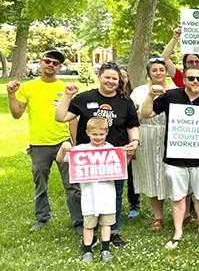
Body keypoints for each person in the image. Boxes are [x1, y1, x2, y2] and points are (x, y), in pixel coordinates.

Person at [55, 62, 140, 247]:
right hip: (89, 159)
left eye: (114, 78)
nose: (110, 81)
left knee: (115, 193)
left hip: (114, 157)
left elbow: (132, 125)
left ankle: (113, 231)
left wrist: (135, 142)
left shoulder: (125, 101)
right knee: (88, 193)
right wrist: (67, 96)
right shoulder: (85, 98)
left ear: (120, 81)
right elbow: (60, 117)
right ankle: (90, 230)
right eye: (107, 77)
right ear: (100, 77)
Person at [140, 67, 199, 249]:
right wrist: (150, 96)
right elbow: (145, 114)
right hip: (175, 157)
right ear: (184, 80)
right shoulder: (171, 96)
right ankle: (177, 231)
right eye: (191, 78)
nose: (195, 82)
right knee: (178, 197)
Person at [7, 49, 83, 234]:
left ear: (59, 67)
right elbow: (17, 114)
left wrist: (75, 144)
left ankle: (79, 222)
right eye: (47, 61)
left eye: (55, 63)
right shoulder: (28, 87)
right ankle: (42, 218)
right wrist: (11, 95)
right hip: (39, 144)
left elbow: (72, 119)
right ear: (41, 62)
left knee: (72, 185)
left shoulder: (64, 89)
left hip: (63, 143)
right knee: (40, 183)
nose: (50, 65)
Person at [56, 117, 117, 263]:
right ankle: (87, 250)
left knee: (106, 223)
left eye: (101, 134)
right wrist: (63, 149)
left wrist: (128, 153)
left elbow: (122, 166)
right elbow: (60, 159)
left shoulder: (112, 150)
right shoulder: (81, 150)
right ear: (87, 133)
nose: (98, 137)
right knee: (88, 225)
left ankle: (105, 249)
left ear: (106, 133)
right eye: (94, 134)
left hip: (108, 196)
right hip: (89, 196)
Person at [129, 58, 177, 230]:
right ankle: (158, 217)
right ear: (148, 73)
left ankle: (182, 214)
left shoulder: (175, 90)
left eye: (161, 69)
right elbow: (133, 116)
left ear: (166, 72)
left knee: (173, 174)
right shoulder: (138, 92)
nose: (158, 73)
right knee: (151, 173)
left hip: (170, 134)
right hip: (146, 133)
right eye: (154, 70)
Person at [119, 67, 140, 219]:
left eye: (124, 77)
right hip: (112, 141)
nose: (121, 79)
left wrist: (134, 141)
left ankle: (134, 203)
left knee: (132, 174)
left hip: (130, 140)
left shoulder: (131, 97)